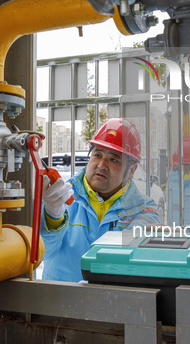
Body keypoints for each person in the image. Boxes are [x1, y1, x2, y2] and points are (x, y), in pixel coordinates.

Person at [40, 118, 161, 282]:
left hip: (111, 303)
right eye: (97, 155)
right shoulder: (60, 197)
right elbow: (42, 253)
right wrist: (52, 217)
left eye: (114, 159)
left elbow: (131, 260)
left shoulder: (144, 209)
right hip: (58, 300)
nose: (102, 165)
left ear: (131, 170)